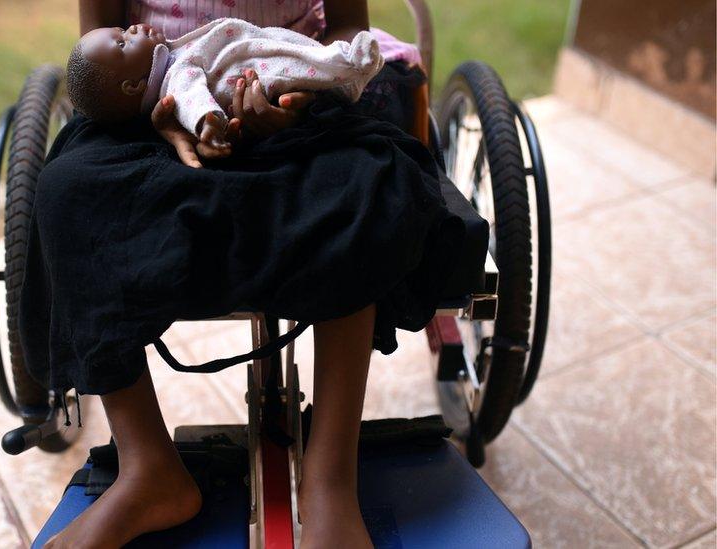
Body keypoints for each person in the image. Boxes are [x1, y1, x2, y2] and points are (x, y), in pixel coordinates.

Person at [24, 1, 462, 547]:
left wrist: (306, 99)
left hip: (294, 99)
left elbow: (349, 25)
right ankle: (148, 469)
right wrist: (170, 119)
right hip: (151, 118)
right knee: (65, 192)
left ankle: (329, 484)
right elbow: (101, 60)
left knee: (369, 189)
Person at [64, 18, 384, 156]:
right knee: (287, 69)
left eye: (123, 30)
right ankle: (342, 69)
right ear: (134, 86)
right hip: (249, 77)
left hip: (266, 55)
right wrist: (207, 122)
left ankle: (338, 66)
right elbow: (191, 96)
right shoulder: (174, 75)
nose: (132, 29)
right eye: (123, 40)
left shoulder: (172, 58)